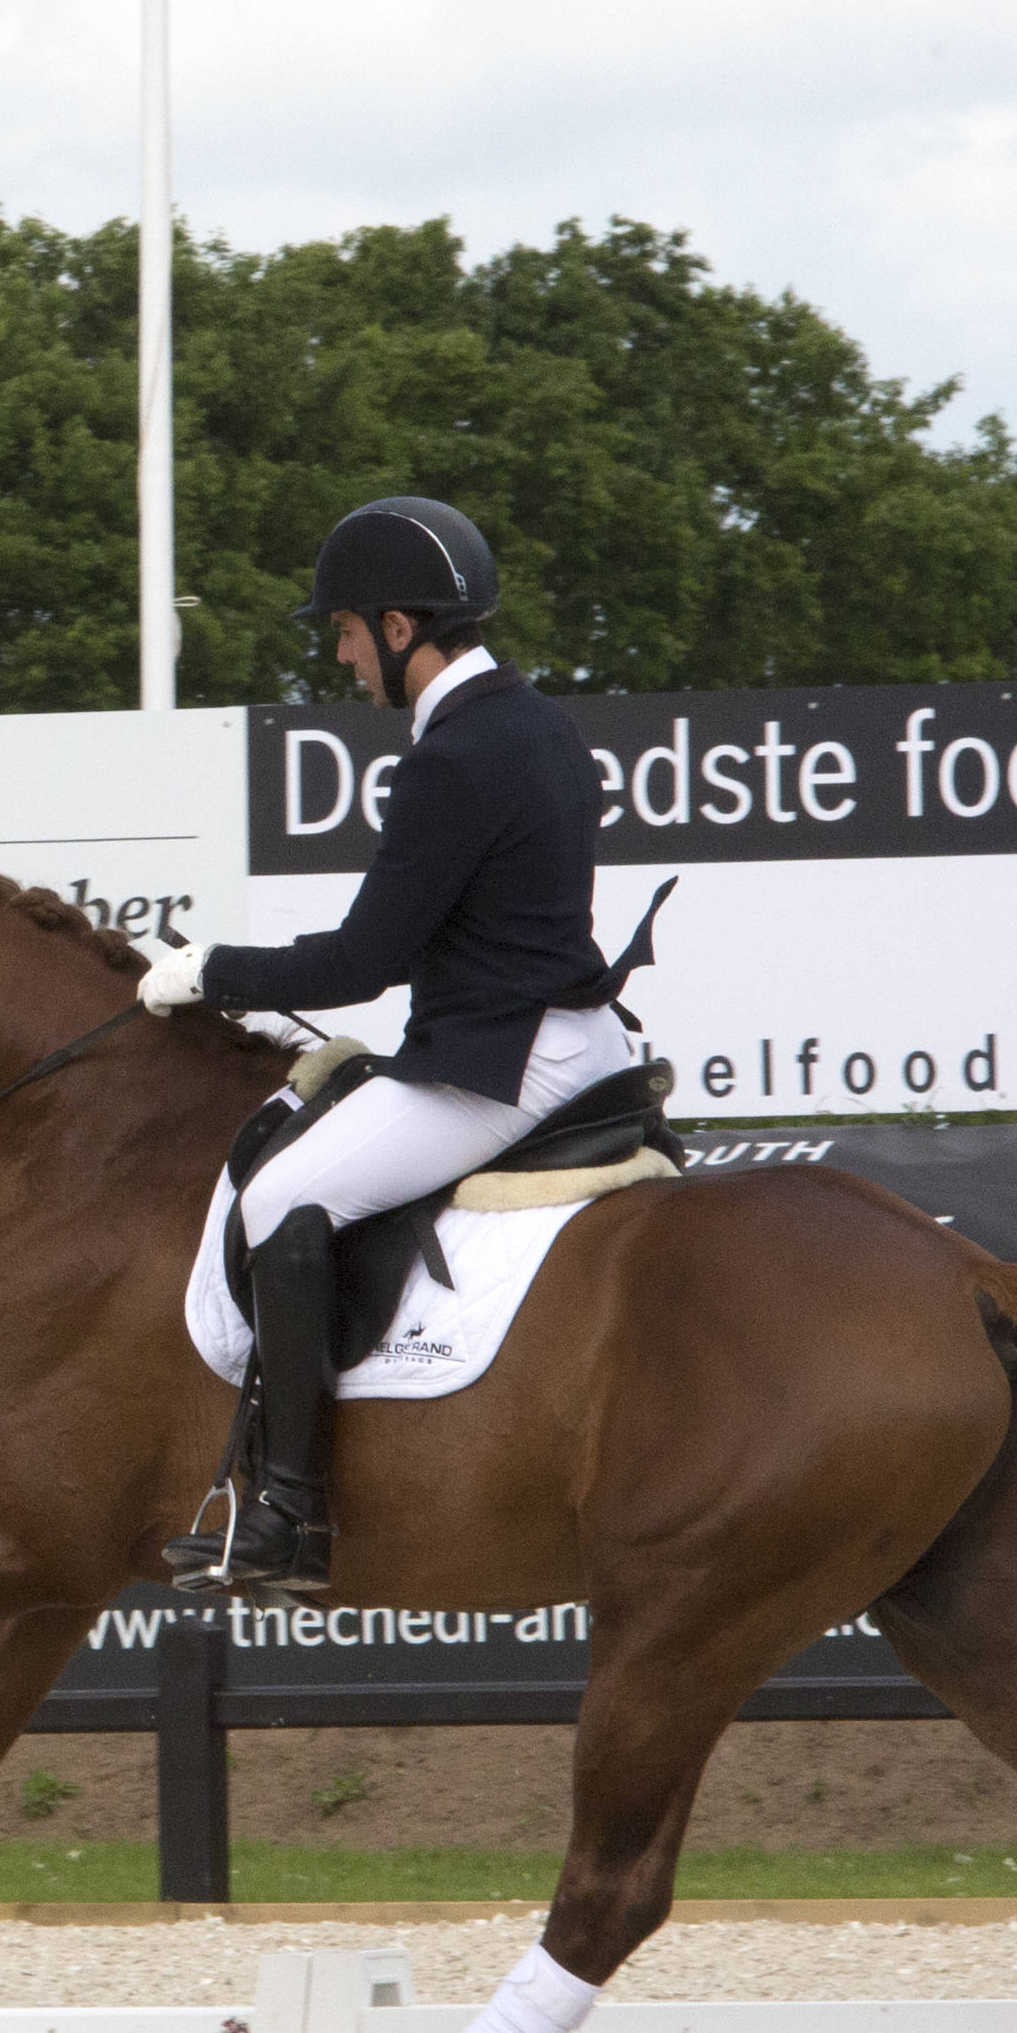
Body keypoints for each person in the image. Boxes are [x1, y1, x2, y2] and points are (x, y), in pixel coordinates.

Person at [139, 495, 646, 1589]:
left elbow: (362, 962)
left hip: (504, 1062)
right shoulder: (539, 725)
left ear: (402, 628)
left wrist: (212, 972)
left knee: (279, 1201)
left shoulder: (452, 758)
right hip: (588, 1039)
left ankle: (289, 1516)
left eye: (347, 630)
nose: (341, 653)